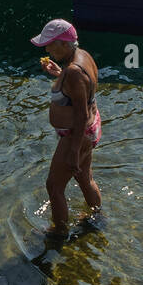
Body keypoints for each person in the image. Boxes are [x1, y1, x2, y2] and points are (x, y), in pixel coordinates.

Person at [31, 18, 102, 233]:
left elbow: (79, 114)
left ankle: (59, 232)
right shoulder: (83, 58)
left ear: (65, 43)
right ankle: (97, 216)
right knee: (84, 177)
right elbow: (81, 91)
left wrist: (72, 150)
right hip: (89, 129)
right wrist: (58, 74)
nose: (48, 49)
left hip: (77, 135)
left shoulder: (73, 72)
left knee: (54, 186)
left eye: (51, 44)